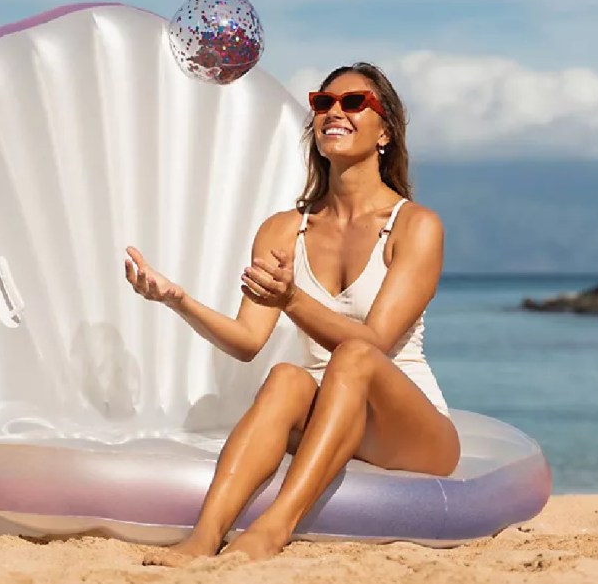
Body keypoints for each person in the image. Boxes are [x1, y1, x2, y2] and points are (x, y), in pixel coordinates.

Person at [124, 62, 461, 564]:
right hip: (327, 414)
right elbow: (246, 342)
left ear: (385, 131)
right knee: (284, 375)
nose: (333, 112)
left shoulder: (415, 226)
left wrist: (293, 300)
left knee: (354, 359)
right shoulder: (285, 229)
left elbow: (374, 343)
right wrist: (179, 300)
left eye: (353, 103)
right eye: (323, 103)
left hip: (406, 428)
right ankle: (202, 537)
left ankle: (274, 529)